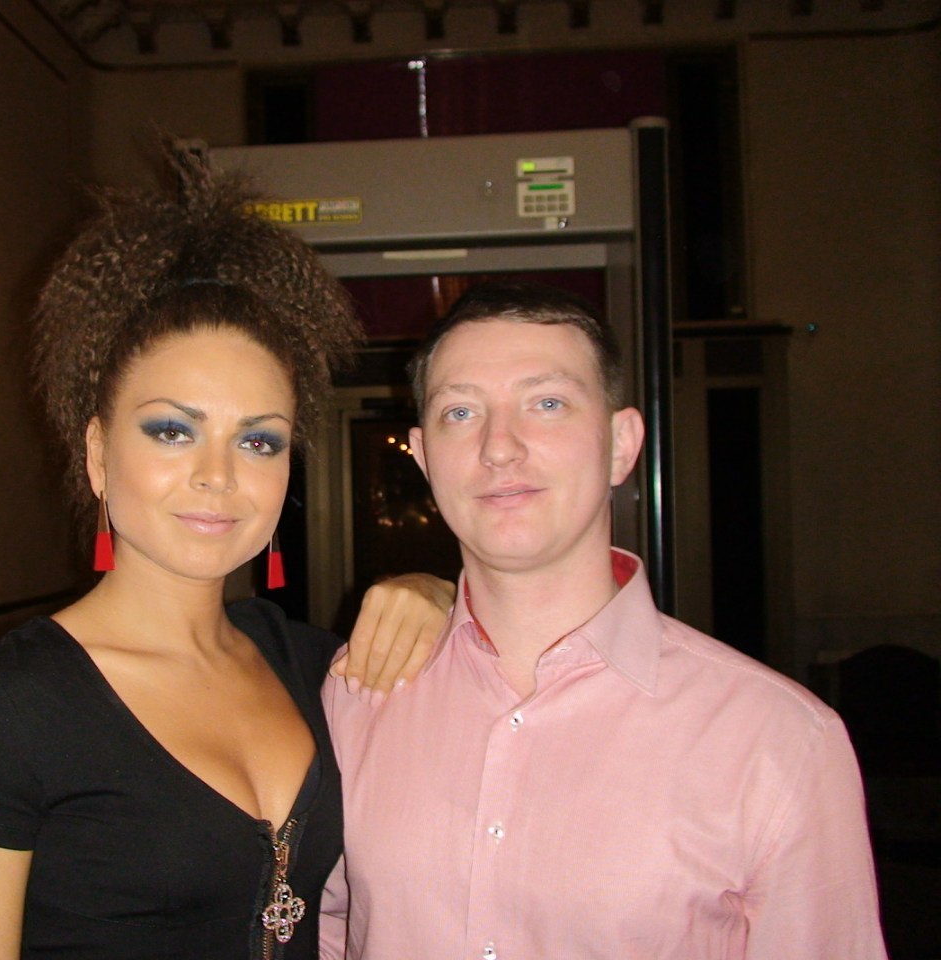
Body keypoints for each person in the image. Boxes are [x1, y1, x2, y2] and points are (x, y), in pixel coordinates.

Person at [0, 146, 451, 960]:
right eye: (172, 430)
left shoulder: (317, 666)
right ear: (98, 455)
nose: (218, 476)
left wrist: (440, 592)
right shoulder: (9, 704)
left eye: (259, 441)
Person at [320, 281, 888, 959]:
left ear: (621, 444)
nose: (499, 447)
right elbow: (326, 931)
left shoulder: (779, 741)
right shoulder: (358, 692)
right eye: (461, 412)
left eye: (547, 403)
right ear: (422, 457)